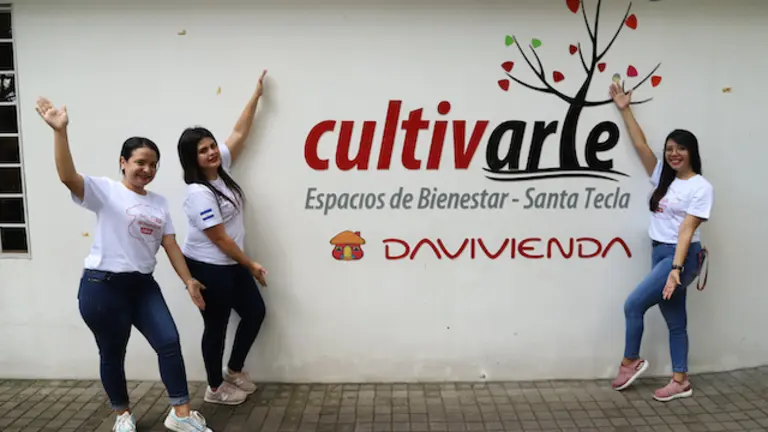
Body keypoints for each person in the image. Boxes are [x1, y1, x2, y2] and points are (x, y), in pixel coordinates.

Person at [35, 97, 213, 432]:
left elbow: (170, 244)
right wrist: (60, 132)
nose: (147, 169)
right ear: (123, 162)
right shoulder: (105, 191)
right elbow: (67, 176)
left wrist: (188, 280)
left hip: (143, 286)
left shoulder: (159, 203)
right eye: (140, 162)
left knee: (169, 342)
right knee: (113, 354)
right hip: (103, 287)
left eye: (153, 165)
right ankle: (122, 414)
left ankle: (181, 413)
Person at [607, 82, 714, 402]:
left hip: (681, 256)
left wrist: (675, 269)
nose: (673, 153)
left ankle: (630, 362)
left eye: (680, 148)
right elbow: (640, 145)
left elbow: (686, 231)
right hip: (661, 254)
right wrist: (625, 109)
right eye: (669, 149)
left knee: (633, 304)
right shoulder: (662, 178)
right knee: (675, 320)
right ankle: (681, 380)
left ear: (691, 152)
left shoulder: (701, 187)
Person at [177, 70, 269, 406]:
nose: (212, 152)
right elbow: (219, 238)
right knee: (215, 327)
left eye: (212, 145)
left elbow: (239, 132)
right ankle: (214, 388)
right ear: (192, 159)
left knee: (255, 312)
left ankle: (233, 370)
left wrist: (256, 96)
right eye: (203, 150)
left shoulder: (219, 172)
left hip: (231, 263)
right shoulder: (199, 193)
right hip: (209, 267)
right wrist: (252, 264)